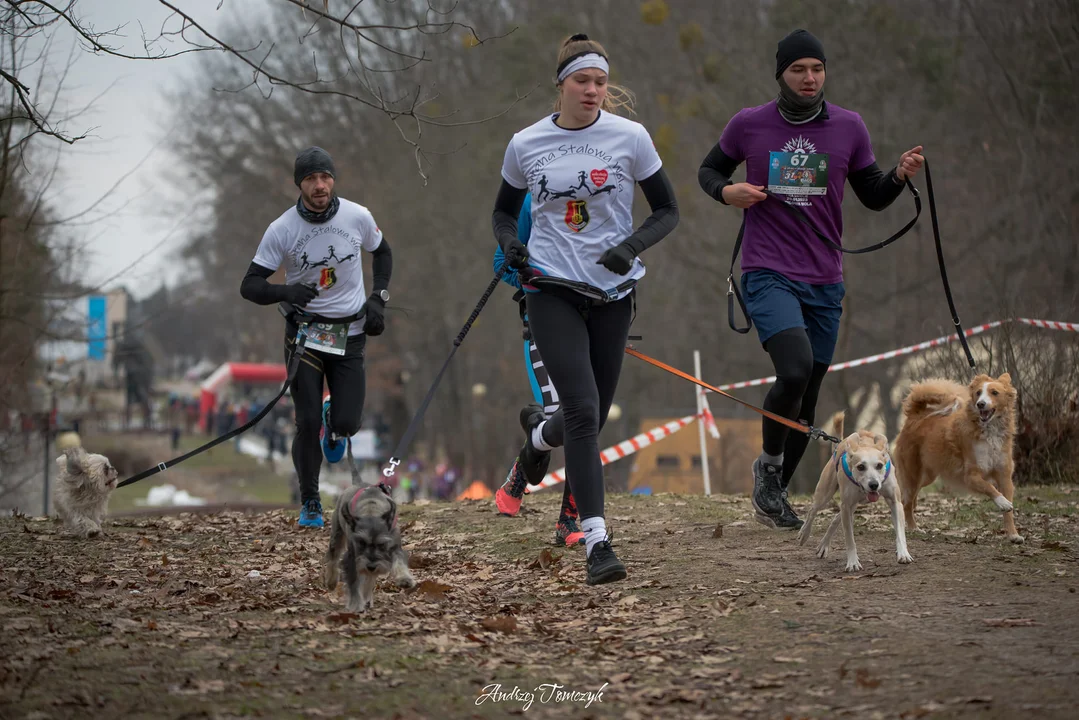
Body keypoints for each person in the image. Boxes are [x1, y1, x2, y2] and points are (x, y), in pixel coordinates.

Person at [697, 29, 924, 530]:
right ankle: (770, 471)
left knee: (810, 390)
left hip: (825, 277)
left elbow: (872, 194)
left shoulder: (849, 126)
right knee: (794, 368)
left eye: (817, 69)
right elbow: (708, 170)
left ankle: (773, 493)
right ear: (781, 73)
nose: (809, 78)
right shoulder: (750, 124)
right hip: (767, 269)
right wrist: (726, 191)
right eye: (798, 69)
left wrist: (900, 175)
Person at [492, 34, 679, 585]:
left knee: (584, 416)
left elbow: (667, 209)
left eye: (600, 81)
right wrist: (512, 249)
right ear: (562, 85)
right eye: (583, 81)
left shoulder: (631, 138)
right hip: (550, 290)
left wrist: (631, 246)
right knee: (582, 411)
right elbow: (503, 215)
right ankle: (596, 540)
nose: (594, 90)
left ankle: (534, 441)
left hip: (613, 296)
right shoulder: (525, 144)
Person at [240, 146, 393, 528]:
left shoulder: (358, 216)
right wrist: (285, 292)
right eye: (311, 179)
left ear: (333, 180)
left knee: (348, 423)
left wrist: (379, 298)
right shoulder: (283, 229)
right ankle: (310, 500)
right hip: (305, 335)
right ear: (300, 184)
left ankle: (335, 418)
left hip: (351, 332)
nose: (319, 185)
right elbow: (249, 285)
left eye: (325, 177)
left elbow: (383, 253)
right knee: (306, 422)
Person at [491, 193, 585, 547]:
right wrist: (538, 280)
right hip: (544, 328)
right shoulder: (536, 198)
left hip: (593, 328)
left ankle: (568, 519)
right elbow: (502, 262)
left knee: (585, 421)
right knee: (568, 419)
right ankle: (534, 439)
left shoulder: (609, 194)